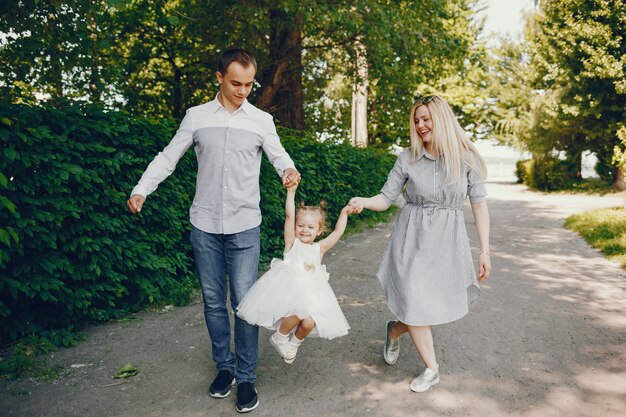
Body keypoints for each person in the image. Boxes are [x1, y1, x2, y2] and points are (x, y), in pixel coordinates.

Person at [126, 48, 300, 413]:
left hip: (244, 225)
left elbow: (279, 155)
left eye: (249, 83)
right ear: (218, 77)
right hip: (204, 224)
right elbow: (167, 157)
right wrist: (142, 188)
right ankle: (225, 367)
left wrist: (287, 170)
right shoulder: (197, 117)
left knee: (245, 305)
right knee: (212, 302)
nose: (243, 90)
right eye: (236, 83)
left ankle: (247, 376)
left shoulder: (261, 120)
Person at [348, 94, 491, 393]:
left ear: (442, 119)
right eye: (416, 120)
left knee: (426, 305)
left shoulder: (468, 159)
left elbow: (479, 205)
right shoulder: (407, 158)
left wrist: (485, 250)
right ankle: (432, 369)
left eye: (426, 119)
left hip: (446, 242)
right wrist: (363, 201)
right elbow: (386, 198)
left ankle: (395, 328)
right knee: (414, 297)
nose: (421, 125)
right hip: (411, 239)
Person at [236, 181, 351, 364]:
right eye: (301, 225)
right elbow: (289, 216)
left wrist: (344, 212)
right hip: (289, 291)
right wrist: (291, 192)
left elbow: (337, 232)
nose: (305, 230)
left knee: (309, 323)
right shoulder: (292, 244)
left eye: (311, 227)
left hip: (311, 294)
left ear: (319, 231)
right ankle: (280, 337)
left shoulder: (318, 249)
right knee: (299, 310)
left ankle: (293, 344)